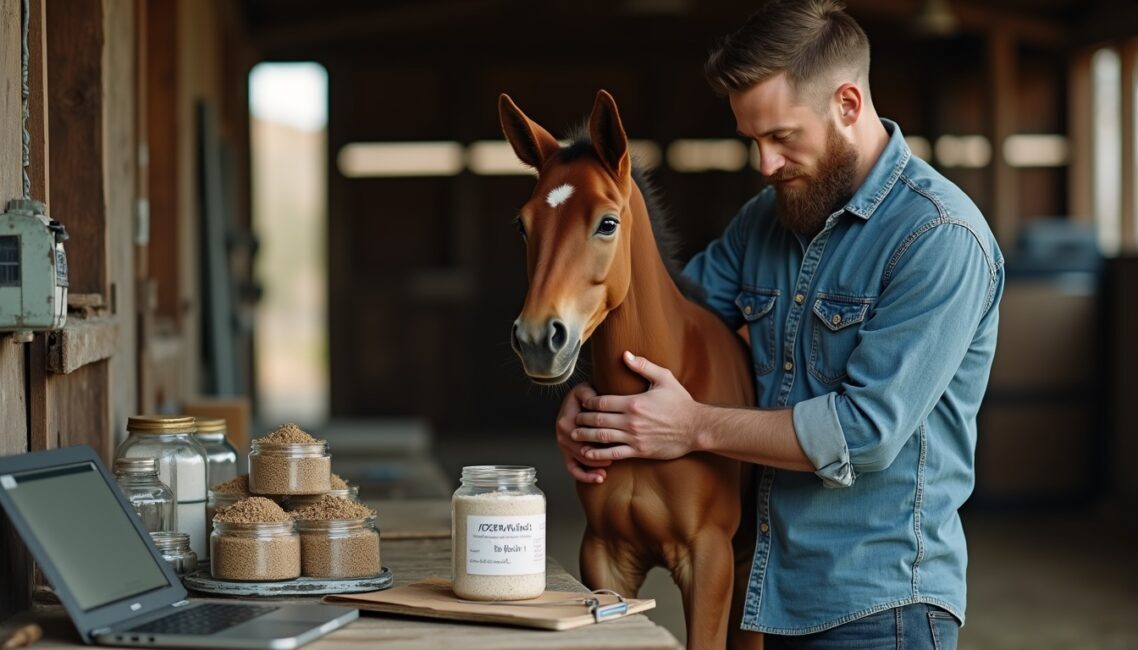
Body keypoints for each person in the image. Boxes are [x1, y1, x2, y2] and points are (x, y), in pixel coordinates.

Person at [554, 0, 1004, 647]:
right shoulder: (765, 221)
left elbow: (865, 433)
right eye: (752, 140)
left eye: (783, 137)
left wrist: (694, 425)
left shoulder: (939, 237)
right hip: (767, 594)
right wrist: (594, 406)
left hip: (880, 610)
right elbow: (673, 330)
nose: (764, 165)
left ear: (848, 104)